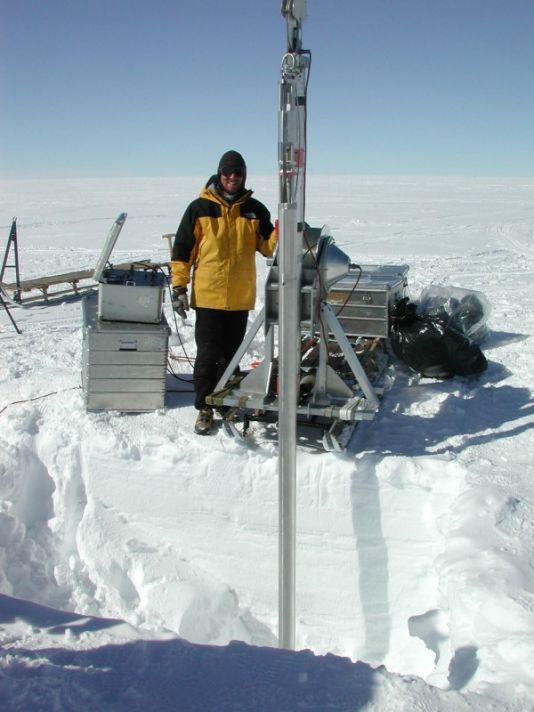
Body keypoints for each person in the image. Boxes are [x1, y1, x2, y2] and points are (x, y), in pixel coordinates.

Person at [170, 150, 278, 435]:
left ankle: (226, 401)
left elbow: (268, 247)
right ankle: (205, 407)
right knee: (207, 354)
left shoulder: (254, 209)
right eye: (228, 173)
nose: (233, 178)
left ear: (244, 176)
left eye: (238, 174)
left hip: (239, 298)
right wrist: (179, 286)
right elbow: (182, 251)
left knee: (231, 356)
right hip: (209, 297)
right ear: (220, 174)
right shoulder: (199, 208)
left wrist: (281, 230)